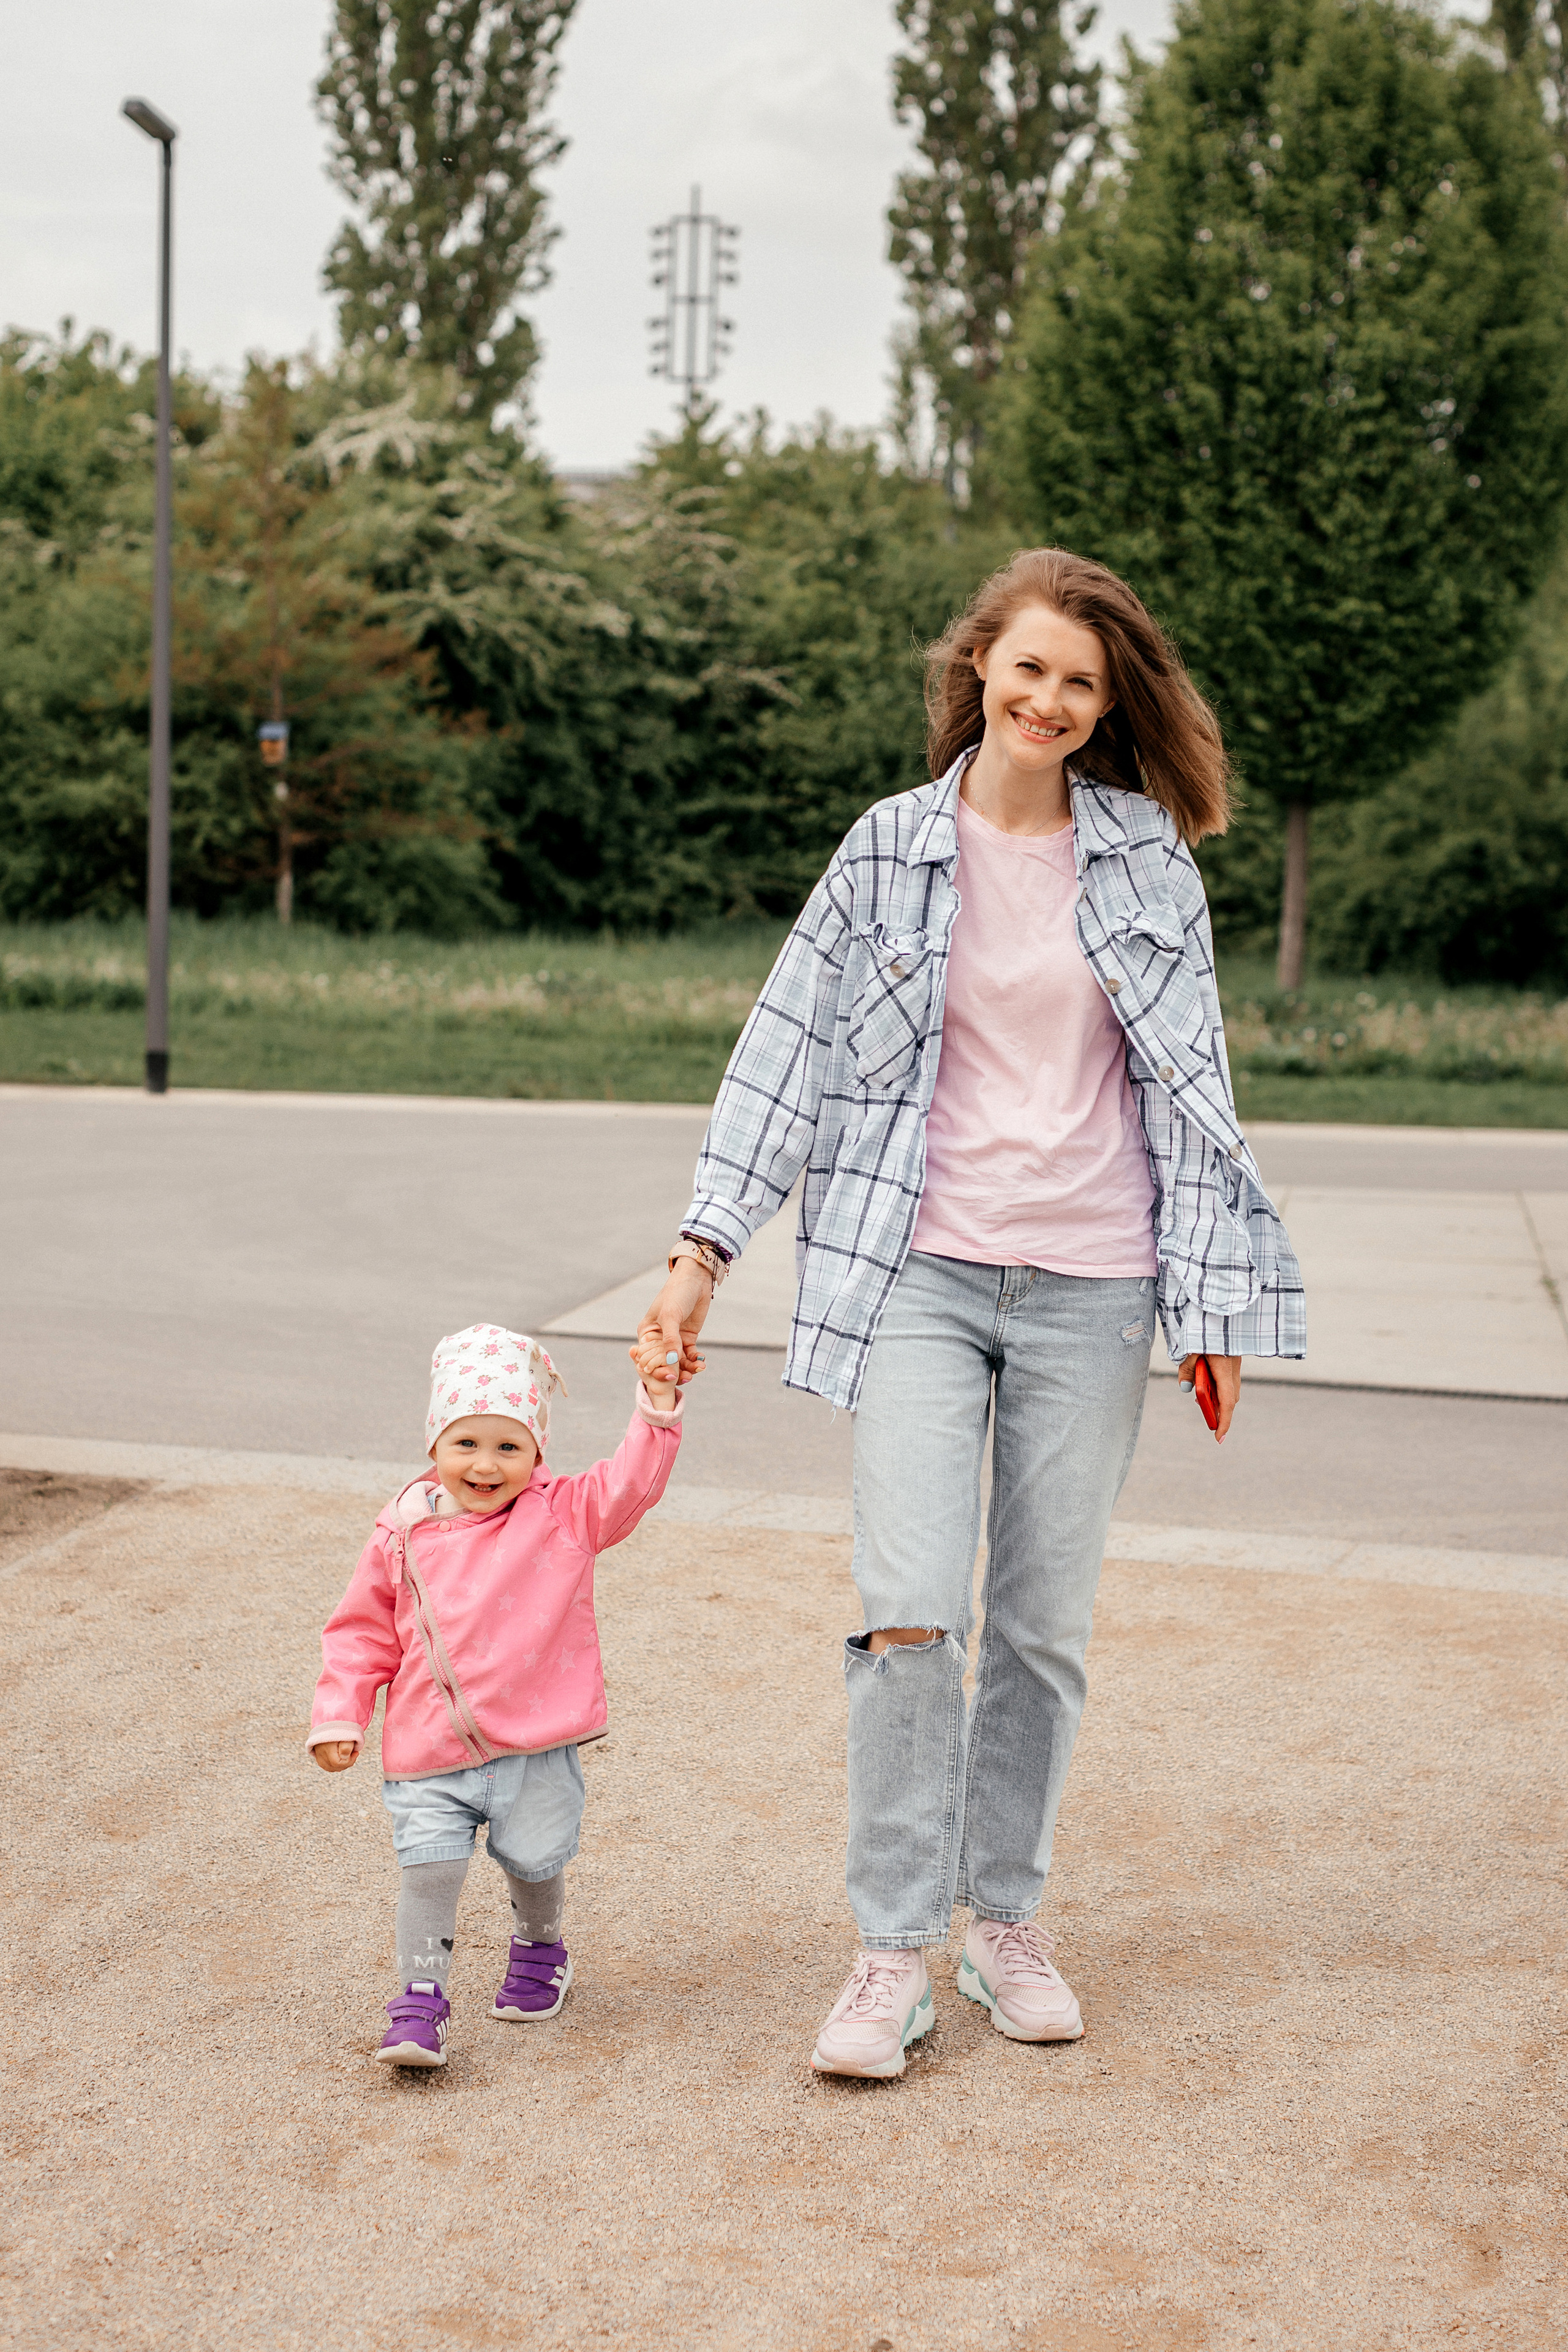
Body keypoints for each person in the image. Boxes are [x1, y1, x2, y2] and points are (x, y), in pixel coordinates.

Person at [638, 546, 1305, 2079]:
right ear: (978, 674)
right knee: (905, 1605)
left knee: (1039, 1625)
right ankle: (890, 1952)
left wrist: (1204, 1307)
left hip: (1093, 1278)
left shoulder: (1146, 862)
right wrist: (699, 1249)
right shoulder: (884, 849)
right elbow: (781, 1054)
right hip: (917, 1274)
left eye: (1081, 679)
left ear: (1103, 698)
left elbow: (1191, 1094)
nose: (1051, 699)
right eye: (1028, 670)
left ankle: (1001, 1918)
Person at [308, 1320, 695, 2068]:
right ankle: (418, 2004)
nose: (485, 1465)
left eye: (509, 1446)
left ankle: (541, 1946)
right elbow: (360, 1632)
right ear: (433, 1447)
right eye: (466, 1444)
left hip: (535, 1747)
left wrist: (656, 1402)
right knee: (428, 1871)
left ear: (537, 1452)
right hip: (428, 1748)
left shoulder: (562, 1515)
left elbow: (631, 1482)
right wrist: (340, 1712)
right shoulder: (401, 1532)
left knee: (535, 1861)